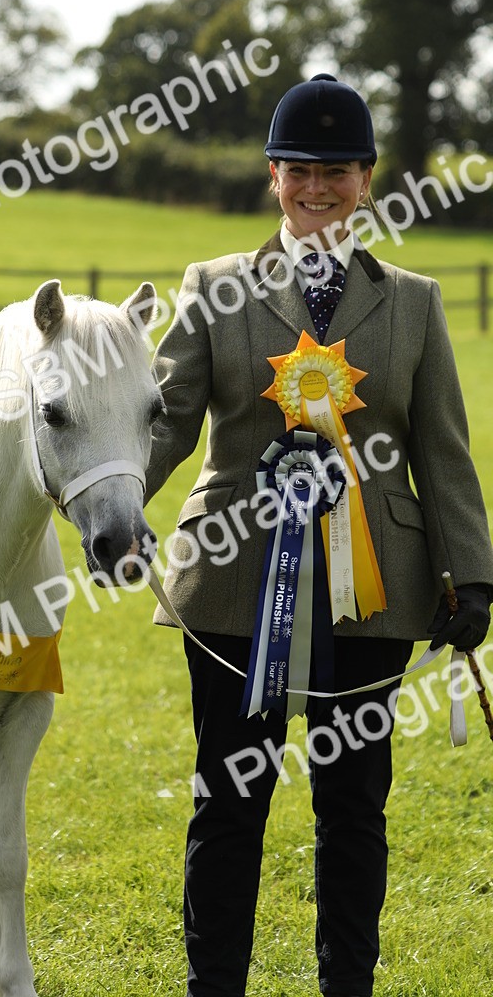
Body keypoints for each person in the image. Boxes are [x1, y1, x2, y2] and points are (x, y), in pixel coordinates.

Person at [144, 73, 493, 997]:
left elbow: (443, 448)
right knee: (228, 803)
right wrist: (114, 507)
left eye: (337, 170)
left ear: (369, 180)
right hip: (231, 581)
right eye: (300, 169)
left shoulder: (412, 302)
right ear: (272, 175)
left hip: (372, 591)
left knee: (353, 811)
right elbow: (171, 419)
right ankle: (212, 986)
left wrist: (474, 574)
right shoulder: (214, 288)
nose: (317, 188)